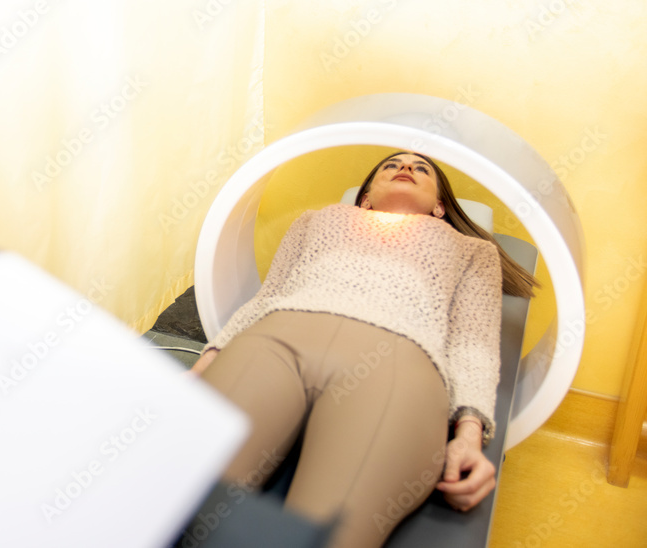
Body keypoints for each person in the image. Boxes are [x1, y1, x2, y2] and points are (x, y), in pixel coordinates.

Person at [187, 151, 538, 548]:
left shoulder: (473, 251)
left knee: (329, 535)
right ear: (365, 197)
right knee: (182, 501)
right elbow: (267, 297)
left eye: (421, 169)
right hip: (274, 341)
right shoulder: (316, 220)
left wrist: (469, 435)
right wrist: (204, 366)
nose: (405, 168)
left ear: (440, 206)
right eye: (391, 165)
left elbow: (474, 344)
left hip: (397, 366)